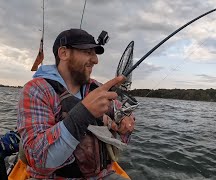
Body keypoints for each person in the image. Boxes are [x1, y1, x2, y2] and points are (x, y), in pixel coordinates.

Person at [16, 28, 135, 179]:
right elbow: (38, 159)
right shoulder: (36, 90)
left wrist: (126, 120)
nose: (95, 60)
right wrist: (84, 113)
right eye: (88, 52)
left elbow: (123, 111)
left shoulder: (96, 87)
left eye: (95, 53)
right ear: (64, 53)